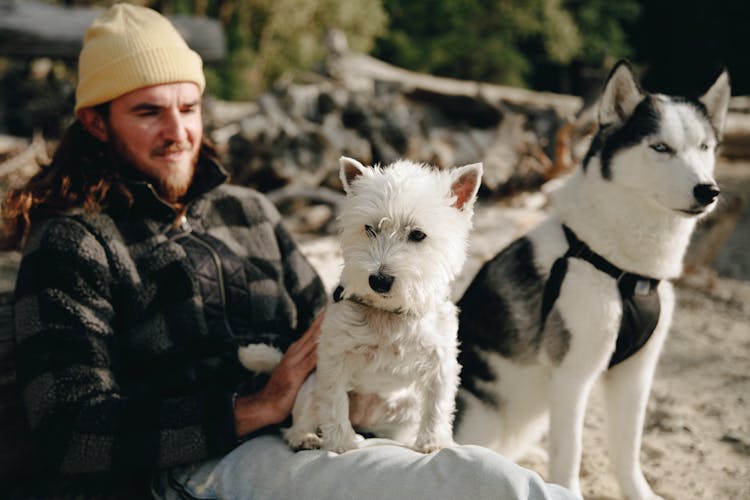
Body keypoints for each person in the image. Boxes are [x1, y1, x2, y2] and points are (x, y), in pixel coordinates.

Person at [2, 4, 578, 499]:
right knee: (474, 485)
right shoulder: (72, 242)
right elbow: (69, 429)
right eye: (148, 111)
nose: (178, 130)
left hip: (316, 424)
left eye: (189, 106)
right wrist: (253, 409)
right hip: (200, 468)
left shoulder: (249, 211)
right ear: (96, 123)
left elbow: (323, 320)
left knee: (465, 468)